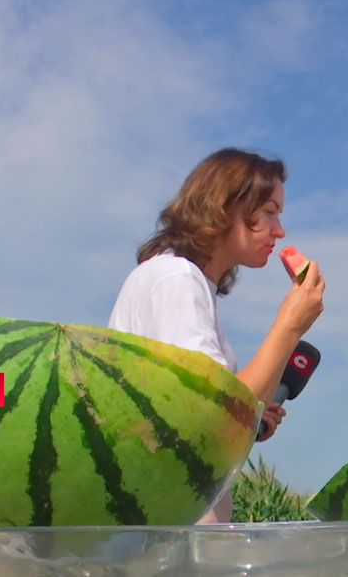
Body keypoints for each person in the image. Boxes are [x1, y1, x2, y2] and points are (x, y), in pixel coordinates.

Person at [108, 147, 326, 524]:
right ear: (228, 208)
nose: (280, 230)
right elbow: (215, 413)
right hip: (171, 526)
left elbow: (195, 417)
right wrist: (290, 326)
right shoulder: (177, 279)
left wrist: (254, 416)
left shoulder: (183, 281)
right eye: (270, 212)